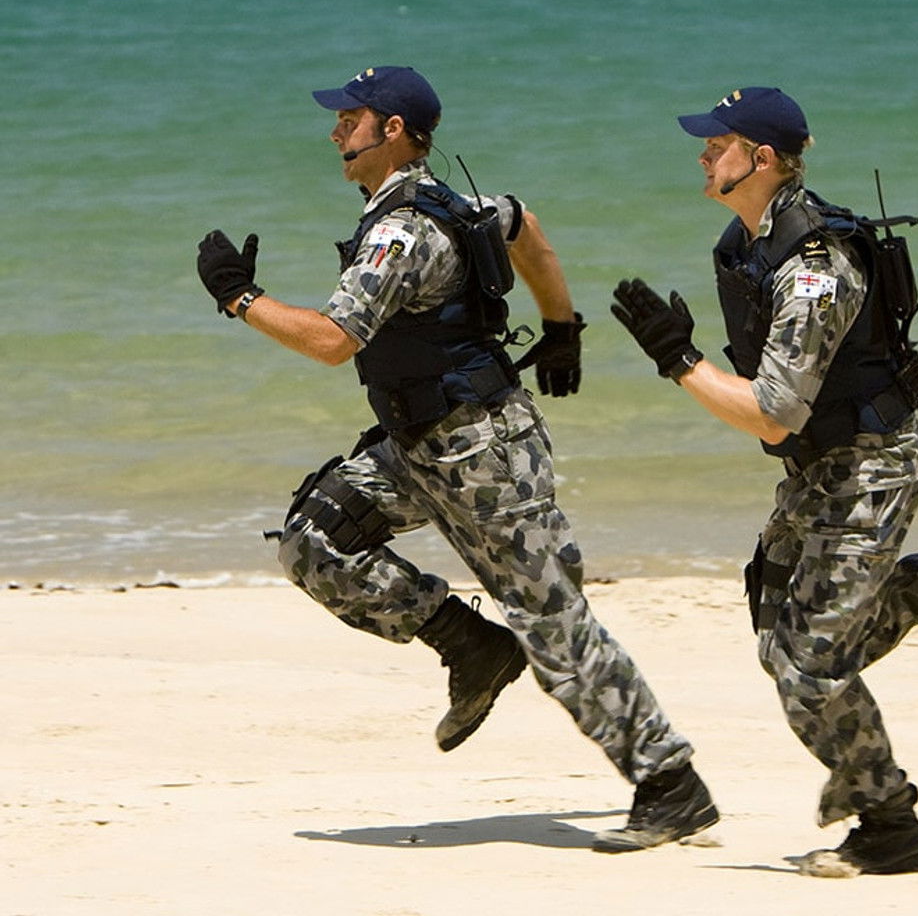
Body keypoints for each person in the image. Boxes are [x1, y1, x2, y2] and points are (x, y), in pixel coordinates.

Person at [195, 65, 718, 852]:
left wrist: (240, 298)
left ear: (393, 131)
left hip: (484, 456)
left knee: (554, 626)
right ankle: (470, 646)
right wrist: (560, 325)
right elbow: (525, 224)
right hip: (416, 448)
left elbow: (333, 341)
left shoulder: (402, 231)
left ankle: (671, 785)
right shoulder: (457, 204)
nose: (335, 131)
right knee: (314, 539)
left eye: (350, 119)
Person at [610, 86, 918, 874]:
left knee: (810, 668)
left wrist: (678, 359)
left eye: (717, 144)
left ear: (761, 158)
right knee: (776, 632)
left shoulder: (811, 267)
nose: (703, 155)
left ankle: (889, 823)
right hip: (819, 469)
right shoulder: (749, 242)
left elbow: (773, 414)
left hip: (870, 468)